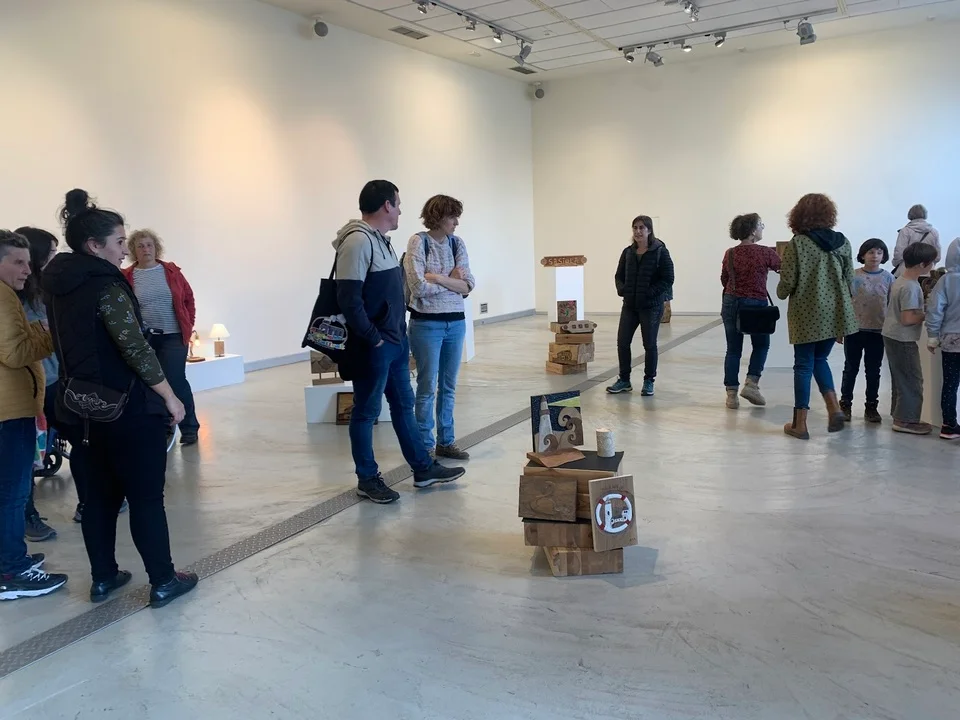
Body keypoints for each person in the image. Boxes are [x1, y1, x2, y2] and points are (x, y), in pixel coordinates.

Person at [43, 189, 197, 606]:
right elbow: (134, 347)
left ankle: (103, 577)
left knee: (97, 498)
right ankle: (163, 580)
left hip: (79, 407)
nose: (124, 251)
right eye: (118, 242)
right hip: (126, 407)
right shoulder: (106, 285)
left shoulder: (56, 284)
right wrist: (170, 397)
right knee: (146, 497)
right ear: (95, 246)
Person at [333, 180, 465, 504]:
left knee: (404, 405)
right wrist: (374, 339)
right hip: (374, 347)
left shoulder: (381, 241)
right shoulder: (357, 241)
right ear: (386, 206)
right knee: (366, 412)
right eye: (398, 204)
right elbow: (349, 300)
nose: (401, 211)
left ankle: (423, 468)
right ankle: (367, 478)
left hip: (395, 342)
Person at [0, 230, 68, 600]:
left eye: (29, 262)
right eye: (18, 262)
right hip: (9, 412)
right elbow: (14, 353)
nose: (28, 270)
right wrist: (50, 333)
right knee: (12, 494)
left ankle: (10, 558)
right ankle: (11, 571)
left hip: (11, 408)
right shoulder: (3, 297)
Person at [778, 194, 858, 440]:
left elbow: (787, 282)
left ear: (799, 215)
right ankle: (834, 408)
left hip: (806, 311)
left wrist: (781, 291)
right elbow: (850, 279)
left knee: (803, 364)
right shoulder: (842, 242)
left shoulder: (798, 244)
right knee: (820, 359)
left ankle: (800, 424)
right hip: (835, 312)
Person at [403, 194, 476, 460]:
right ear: (438, 217)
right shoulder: (418, 242)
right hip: (426, 325)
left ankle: (446, 441)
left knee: (448, 386)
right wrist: (451, 281)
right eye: (452, 217)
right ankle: (424, 445)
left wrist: (437, 278)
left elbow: (468, 284)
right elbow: (418, 288)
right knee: (426, 387)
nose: (456, 222)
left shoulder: (457, 243)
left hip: (455, 323)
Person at [122, 229, 199, 445]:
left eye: (149, 245)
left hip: (174, 335)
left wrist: (188, 324)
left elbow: (188, 299)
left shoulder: (171, 271)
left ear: (156, 248)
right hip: (145, 339)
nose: (145, 249)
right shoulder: (127, 276)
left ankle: (189, 427)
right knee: (152, 383)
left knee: (175, 380)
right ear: (133, 250)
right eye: (140, 246)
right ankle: (163, 427)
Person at [16, 227, 60, 542]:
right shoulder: (13, 296)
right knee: (26, 456)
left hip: (54, 379)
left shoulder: (45, 289)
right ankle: (27, 514)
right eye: (52, 253)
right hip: (29, 386)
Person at [607, 215, 675, 396]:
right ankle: (624, 380)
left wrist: (650, 293)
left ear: (649, 230)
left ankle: (649, 380)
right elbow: (618, 276)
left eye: (641, 228)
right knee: (622, 342)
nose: (638, 231)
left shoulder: (660, 251)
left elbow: (668, 278)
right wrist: (623, 290)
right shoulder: (628, 252)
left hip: (651, 307)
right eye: (635, 228)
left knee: (649, 344)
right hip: (630, 305)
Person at [719, 213, 781, 409]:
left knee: (733, 349)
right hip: (755, 303)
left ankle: (731, 396)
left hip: (731, 301)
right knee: (761, 345)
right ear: (753, 231)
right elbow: (783, 268)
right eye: (760, 225)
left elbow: (724, 279)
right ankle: (751, 384)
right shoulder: (765, 252)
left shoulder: (730, 253)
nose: (762, 228)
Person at [882, 242, 937, 435]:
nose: (933, 266)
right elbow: (907, 319)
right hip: (902, 338)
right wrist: (928, 314)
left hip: (891, 334)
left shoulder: (900, 280)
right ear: (923, 264)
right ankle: (906, 420)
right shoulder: (911, 287)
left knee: (900, 378)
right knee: (912, 380)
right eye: (932, 262)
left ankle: (899, 415)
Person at [840, 239, 895, 423]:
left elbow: (891, 305)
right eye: (871, 252)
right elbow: (844, 303)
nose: (875, 256)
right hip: (854, 330)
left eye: (879, 252)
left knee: (873, 370)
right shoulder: (853, 276)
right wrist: (840, 328)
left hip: (878, 332)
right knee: (850, 368)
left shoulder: (888, 278)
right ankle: (845, 404)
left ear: (884, 256)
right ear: (863, 255)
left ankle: (871, 406)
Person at [926, 238, 960, 439]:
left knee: (950, 383)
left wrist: (932, 336)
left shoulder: (946, 280)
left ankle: (948, 425)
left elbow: (935, 309)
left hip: (951, 340)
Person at [893, 204, 940, 276]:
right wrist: (929, 264)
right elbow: (937, 255)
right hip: (927, 271)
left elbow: (899, 253)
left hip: (907, 270)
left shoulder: (905, 231)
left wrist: (896, 263)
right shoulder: (934, 232)